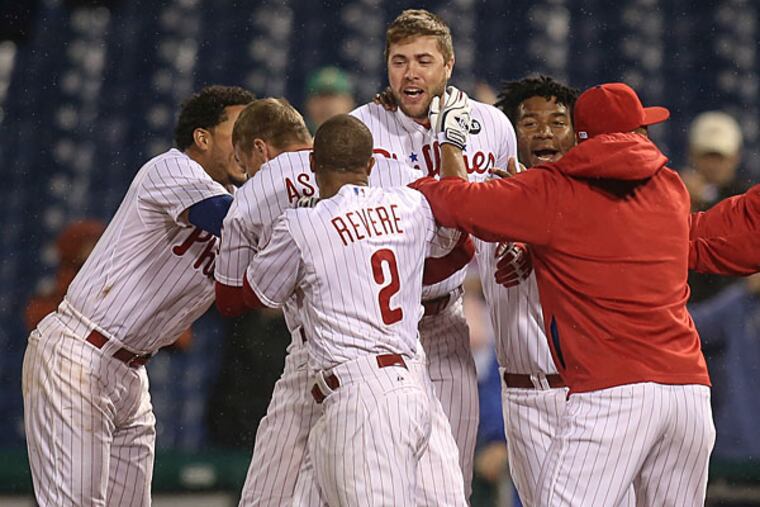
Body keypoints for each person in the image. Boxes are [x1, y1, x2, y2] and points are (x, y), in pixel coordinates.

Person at [412, 82, 718, 505]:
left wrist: (446, 155)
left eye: (559, 122)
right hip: (686, 388)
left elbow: (452, 200)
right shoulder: (669, 187)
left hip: (607, 391)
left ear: (580, 135)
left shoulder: (549, 194)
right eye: (530, 122)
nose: (544, 132)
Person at [214, 100, 469, 506]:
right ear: (371, 164)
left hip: (353, 383)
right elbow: (460, 246)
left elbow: (243, 297)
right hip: (409, 375)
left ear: (315, 164)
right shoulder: (410, 203)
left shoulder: (298, 222)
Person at [22, 85, 254, 506]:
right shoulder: (172, 170)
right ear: (202, 138)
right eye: (237, 132)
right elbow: (223, 218)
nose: (247, 146)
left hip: (130, 371)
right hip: (80, 350)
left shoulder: (242, 203)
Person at [350, 9, 519, 496]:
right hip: (379, 329)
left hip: (446, 323)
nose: (411, 72)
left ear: (448, 64)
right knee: (383, 482)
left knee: (451, 482)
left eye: (423, 60)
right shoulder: (361, 130)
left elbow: (510, 210)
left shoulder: (492, 125)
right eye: (399, 60)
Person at [682, 111, 749, 303]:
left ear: (736, 157)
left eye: (719, 157)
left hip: (735, 310)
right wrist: (682, 205)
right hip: (687, 304)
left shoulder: (747, 199)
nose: (713, 165)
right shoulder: (673, 195)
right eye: (707, 156)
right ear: (692, 154)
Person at [304, 66, 356, 132]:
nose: (326, 105)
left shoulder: (367, 139)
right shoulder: (296, 139)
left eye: (333, 96)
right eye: (321, 96)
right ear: (309, 104)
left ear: (349, 103)